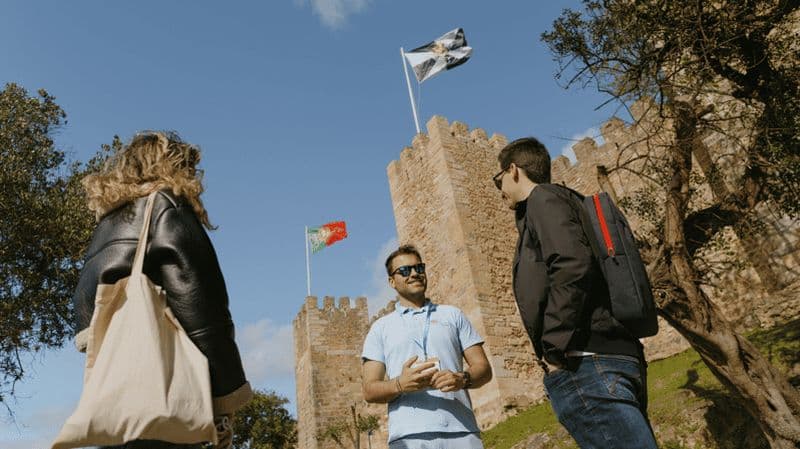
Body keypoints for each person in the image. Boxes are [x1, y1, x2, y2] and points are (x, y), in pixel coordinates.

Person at [73, 131, 253, 449]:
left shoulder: (105, 226)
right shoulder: (167, 209)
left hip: (115, 411)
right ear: (174, 167)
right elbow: (204, 317)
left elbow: (86, 315)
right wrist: (225, 404)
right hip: (168, 405)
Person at [494, 137, 658, 449]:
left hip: (586, 362)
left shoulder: (542, 199)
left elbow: (572, 265)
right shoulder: (571, 201)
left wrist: (553, 349)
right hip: (616, 355)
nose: (498, 188)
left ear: (513, 170)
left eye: (497, 178)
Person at [361, 244, 492, 449]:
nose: (414, 274)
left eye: (419, 268)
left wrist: (462, 378)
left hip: (463, 431)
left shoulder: (453, 315)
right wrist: (400, 385)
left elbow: (484, 369)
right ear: (391, 281)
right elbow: (369, 390)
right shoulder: (380, 328)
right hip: (408, 437)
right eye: (405, 271)